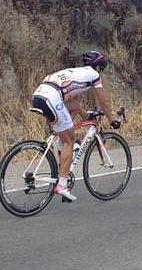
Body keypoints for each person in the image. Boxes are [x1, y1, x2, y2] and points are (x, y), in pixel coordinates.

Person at [31, 50, 121, 202]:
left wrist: (88, 118)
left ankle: (61, 152)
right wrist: (111, 119)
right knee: (69, 141)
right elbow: (104, 101)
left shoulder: (76, 73)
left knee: (71, 111)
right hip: (52, 98)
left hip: (40, 94)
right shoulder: (94, 75)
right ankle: (62, 185)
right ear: (98, 67)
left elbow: (74, 105)